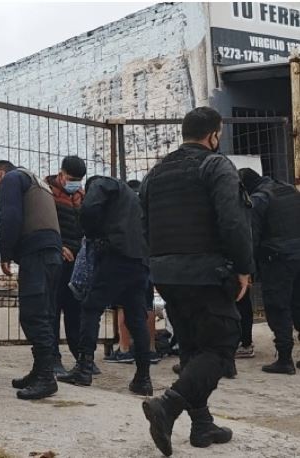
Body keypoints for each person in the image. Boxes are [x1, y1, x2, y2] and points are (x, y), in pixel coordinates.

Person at [140, 107, 251, 455]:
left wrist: (158, 266)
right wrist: (244, 268)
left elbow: (144, 225)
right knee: (220, 346)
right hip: (205, 271)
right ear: (213, 135)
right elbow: (232, 221)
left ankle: (202, 426)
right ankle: (168, 407)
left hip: (167, 274)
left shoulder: (155, 173)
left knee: (192, 348)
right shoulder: (216, 166)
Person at [57, 176, 152, 398]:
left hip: (116, 256)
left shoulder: (101, 183)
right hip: (139, 260)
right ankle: (143, 378)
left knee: (91, 307)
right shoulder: (130, 198)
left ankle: (84, 368)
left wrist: (91, 233)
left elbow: (89, 210)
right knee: (136, 316)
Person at [0, 160, 62, 400]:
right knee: (45, 313)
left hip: (36, 254)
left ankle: (46, 377)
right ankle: (40, 370)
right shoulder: (38, 182)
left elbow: (10, 216)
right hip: (52, 253)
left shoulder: (11, 178)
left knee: (32, 315)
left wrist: (5, 253)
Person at [238, 167, 300, 373]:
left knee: (278, 307)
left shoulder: (259, 200)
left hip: (278, 261)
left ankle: (285, 359)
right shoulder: (289, 190)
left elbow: (251, 238)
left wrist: (246, 268)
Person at [104, 179, 161, 365]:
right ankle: (151, 349)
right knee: (148, 304)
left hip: (127, 260)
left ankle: (125, 348)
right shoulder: (148, 207)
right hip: (147, 261)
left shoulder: (124, 209)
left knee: (122, 305)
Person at [45, 156, 86, 376]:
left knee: (75, 310)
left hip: (76, 262)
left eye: (79, 180)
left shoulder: (81, 196)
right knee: (52, 310)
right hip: (55, 258)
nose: (75, 184)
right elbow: (40, 222)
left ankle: (80, 356)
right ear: (61, 174)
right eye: (71, 179)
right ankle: (53, 358)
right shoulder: (45, 192)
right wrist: (58, 245)